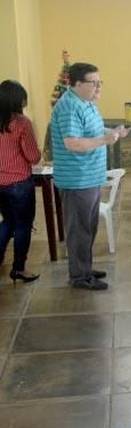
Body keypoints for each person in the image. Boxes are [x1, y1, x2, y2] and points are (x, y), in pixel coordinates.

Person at [50, 62, 131, 290]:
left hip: (90, 177)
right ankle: (79, 276)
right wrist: (105, 140)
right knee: (79, 230)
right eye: (93, 83)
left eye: (99, 82)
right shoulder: (69, 107)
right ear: (75, 84)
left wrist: (112, 132)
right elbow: (73, 143)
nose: (98, 87)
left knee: (89, 227)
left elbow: (93, 131)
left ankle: (84, 267)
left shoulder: (87, 103)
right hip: (77, 179)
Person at [0, 80, 41, 284]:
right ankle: (18, 269)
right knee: (23, 226)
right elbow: (33, 156)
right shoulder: (21, 123)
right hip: (19, 184)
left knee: (7, 221)